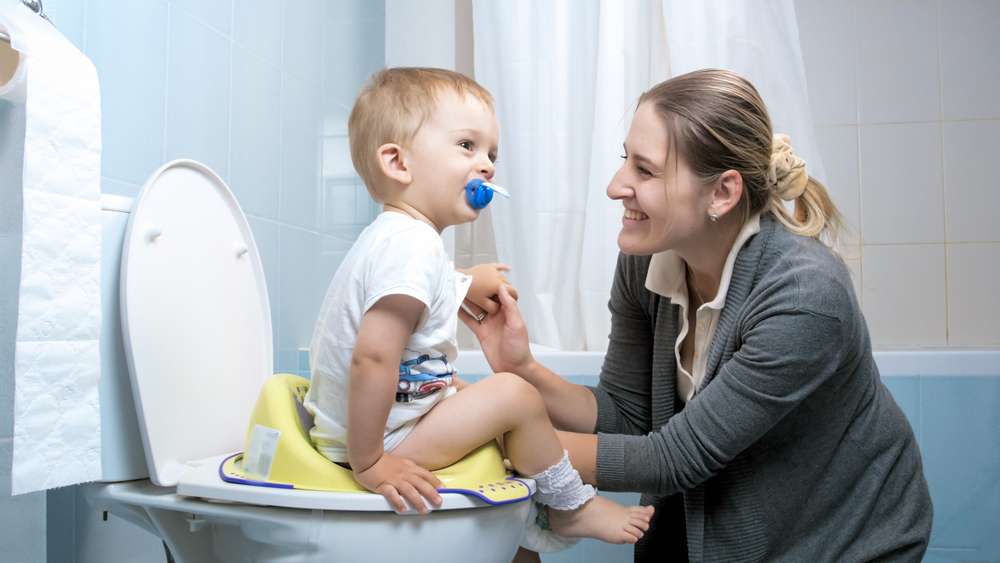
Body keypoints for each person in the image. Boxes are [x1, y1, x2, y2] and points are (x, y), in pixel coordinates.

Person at [466, 69, 933, 562]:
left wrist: (506, 438)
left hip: (844, 541)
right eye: (626, 160)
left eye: (644, 171)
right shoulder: (645, 260)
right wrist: (523, 371)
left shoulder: (805, 295)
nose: (614, 186)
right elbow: (628, 415)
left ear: (722, 193)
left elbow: (673, 459)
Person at [303, 67, 654, 546]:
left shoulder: (400, 239)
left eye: (492, 153)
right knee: (514, 396)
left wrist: (463, 284)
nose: (487, 165)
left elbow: (411, 301)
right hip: (374, 441)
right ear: (398, 162)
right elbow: (373, 357)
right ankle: (572, 507)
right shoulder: (411, 246)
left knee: (479, 401)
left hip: (378, 426)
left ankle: (525, 531)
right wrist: (371, 462)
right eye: (467, 146)